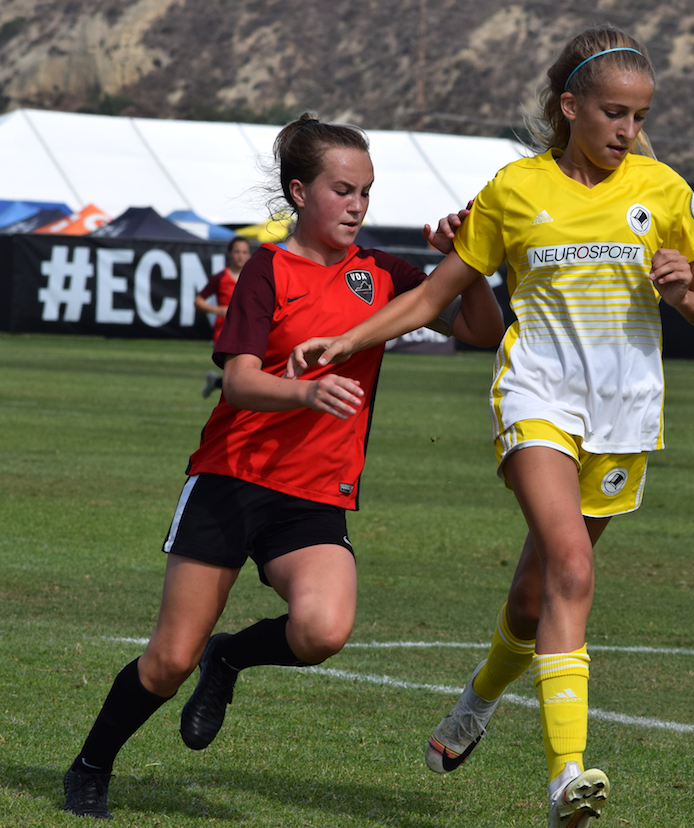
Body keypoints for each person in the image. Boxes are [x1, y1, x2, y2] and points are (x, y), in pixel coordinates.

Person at [286, 26, 694, 827]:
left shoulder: (663, 191)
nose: (628, 130)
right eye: (613, 113)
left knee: (536, 595)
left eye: (639, 115)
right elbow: (433, 298)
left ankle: (477, 702)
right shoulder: (514, 190)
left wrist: (678, 286)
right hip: (538, 401)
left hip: (625, 415)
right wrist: (347, 339)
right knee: (571, 570)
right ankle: (567, 779)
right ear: (571, 107)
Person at [61, 114, 504, 820]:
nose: (357, 205)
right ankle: (90, 766)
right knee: (168, 662)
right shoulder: (268, 267)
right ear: (300, 193)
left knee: (321, 631)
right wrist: (304, 390)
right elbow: (237, 381)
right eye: (343, 190)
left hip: (311, 493)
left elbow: (481, 330)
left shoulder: (383, 272)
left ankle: (230, 657)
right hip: (231, 478)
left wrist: (467, 262)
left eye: (366, 192)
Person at [195, 235, 252, 397]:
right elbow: (199, 301)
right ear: (229, 254)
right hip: (224, 332)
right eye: (237, 252)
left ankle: (215, 383)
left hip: (247, 332)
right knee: (233, 376)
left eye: (244, 252)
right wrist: (218, 310)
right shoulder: (220, 277)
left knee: (241, 376)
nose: (240, 255)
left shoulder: (253, 277)